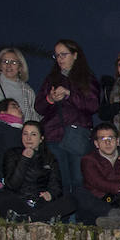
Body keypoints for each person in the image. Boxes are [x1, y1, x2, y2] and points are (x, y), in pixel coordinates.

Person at [37, 39, 101, 197]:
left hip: (76, 134)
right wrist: (50, 99)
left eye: (63, 54)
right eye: (57, 55)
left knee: (78, 179)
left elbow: (93, 105)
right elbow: (39, 107)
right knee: (60, 179)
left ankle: (78, 211)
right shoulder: (51, 78)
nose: (60, 59)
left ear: (75, 55)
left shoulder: (86, 78)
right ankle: (63, 211)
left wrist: (69, 94)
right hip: (53, 134)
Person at [0, 120, 77, 222]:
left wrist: (50, 194)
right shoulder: (12, 154)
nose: (28, 138)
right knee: (1, 197)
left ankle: (28, 218)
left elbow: (56, 187)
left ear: (41, 138)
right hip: (19, 201)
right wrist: (24, 159)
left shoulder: (49, 158)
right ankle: (40, 218)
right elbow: (12, 185)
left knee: (70, 201)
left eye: (33, 134)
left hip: (40, 203)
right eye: (25, 134)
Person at [0, 48, 37, 123]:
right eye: (5, 62)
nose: (9, 65)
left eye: (13, 62)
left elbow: (33, 119)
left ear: (20, 67)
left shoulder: (28, 92)